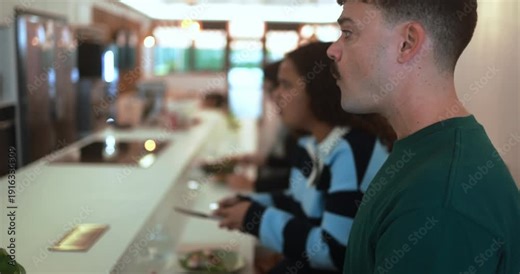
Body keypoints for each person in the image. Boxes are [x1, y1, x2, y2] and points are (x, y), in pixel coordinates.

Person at [326, 1, 520, 274]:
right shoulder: (425, 155)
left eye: (348, 33)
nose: (332, 50)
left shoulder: (439, 198)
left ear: (407, 43)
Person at [214, 42, 396, 274]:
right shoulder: (308, 144)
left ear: (318, 89)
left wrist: (255, 218)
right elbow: (296, 203)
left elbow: (334, 251)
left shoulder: (350, 150)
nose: (276, 94)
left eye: (286, 85)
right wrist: (249, 204)